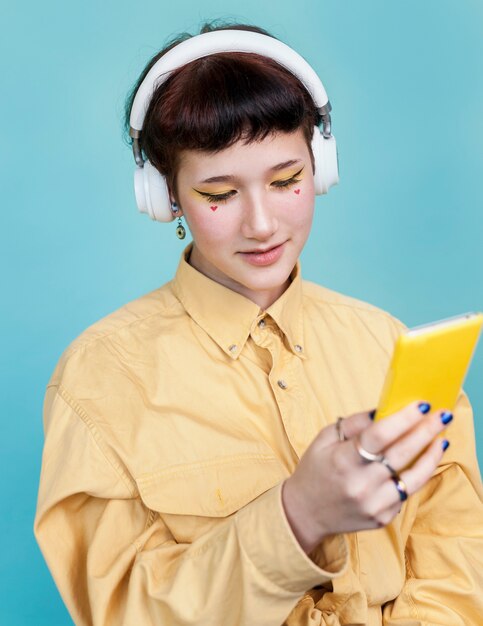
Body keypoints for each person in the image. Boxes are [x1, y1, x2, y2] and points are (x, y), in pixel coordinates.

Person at [34, 21, 483, 626]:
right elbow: (123, 610)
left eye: (287, 181)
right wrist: (298, 516)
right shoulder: (98, 378)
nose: (263, 224)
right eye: (219, 193)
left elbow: (458, 556)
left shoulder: (386, 343)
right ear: (164, 195)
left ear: (321, 168)